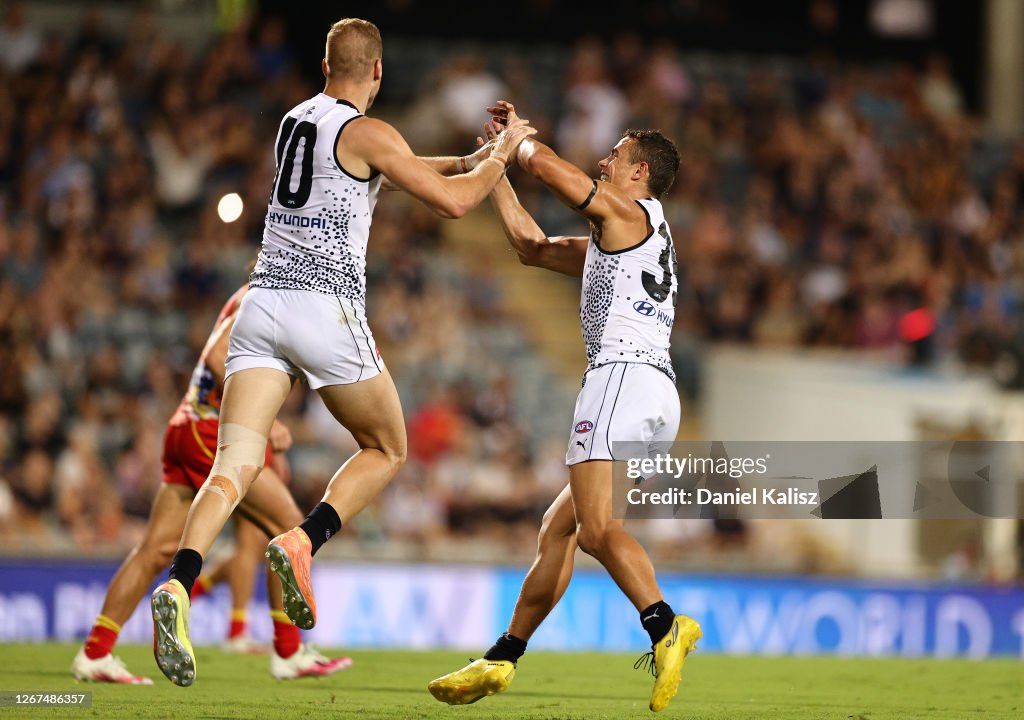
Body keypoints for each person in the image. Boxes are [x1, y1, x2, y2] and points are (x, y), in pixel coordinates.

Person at [149, 18, 536, 687]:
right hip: (322, 307)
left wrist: (475, 155)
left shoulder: (296, 120)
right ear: (378, 71)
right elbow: (447, 202)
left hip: (262, 304)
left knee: (234, 465)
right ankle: (302, 539)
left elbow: (402, 169)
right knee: (388, 447)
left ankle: (180, 584)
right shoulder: (370, 131)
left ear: (326, 65)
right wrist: (503, 156)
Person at [428, 103, 701, 713]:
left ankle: (665, 626)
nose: (605, 161)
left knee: (599, 530)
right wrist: (496, 172)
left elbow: (555, 172)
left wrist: (518, 141)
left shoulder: (626, 212)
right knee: (561, 528)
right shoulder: (627, 238)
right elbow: (531, 247)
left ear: (641, 173)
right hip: (655, 393)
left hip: (620, 378)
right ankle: (501, 658)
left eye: (617, 156)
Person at [72, 284, 351, 685]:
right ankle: (289, 652)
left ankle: (95, 652)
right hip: (209, 426)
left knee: (155, 550)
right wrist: (266, 424)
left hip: (187, 425)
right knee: (291, 529)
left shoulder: (258, 292)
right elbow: (219, 356)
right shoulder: (266, 291)